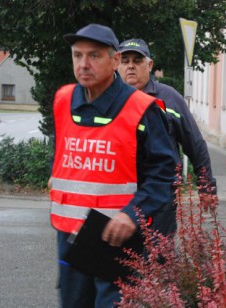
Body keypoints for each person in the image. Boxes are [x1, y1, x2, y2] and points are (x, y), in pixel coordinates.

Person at [50, 24, 177, 307]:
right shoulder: (63, 99)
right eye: (77, 55)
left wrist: (133, 213)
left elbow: (165, 173)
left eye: (94, 56)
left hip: (117, 238)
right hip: (69, 235)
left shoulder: (142, 108)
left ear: (115, 60)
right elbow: (60, 151)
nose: (83, 64)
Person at [117, 38, 217, 203]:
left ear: (149, 65)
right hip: (118, 196)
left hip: (160, 196)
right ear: (116, 65)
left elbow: (194, 143)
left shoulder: (170, 98)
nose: (130, 66)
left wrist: (206, 185)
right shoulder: (109, 99)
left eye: (137, 61)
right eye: (125, 61)